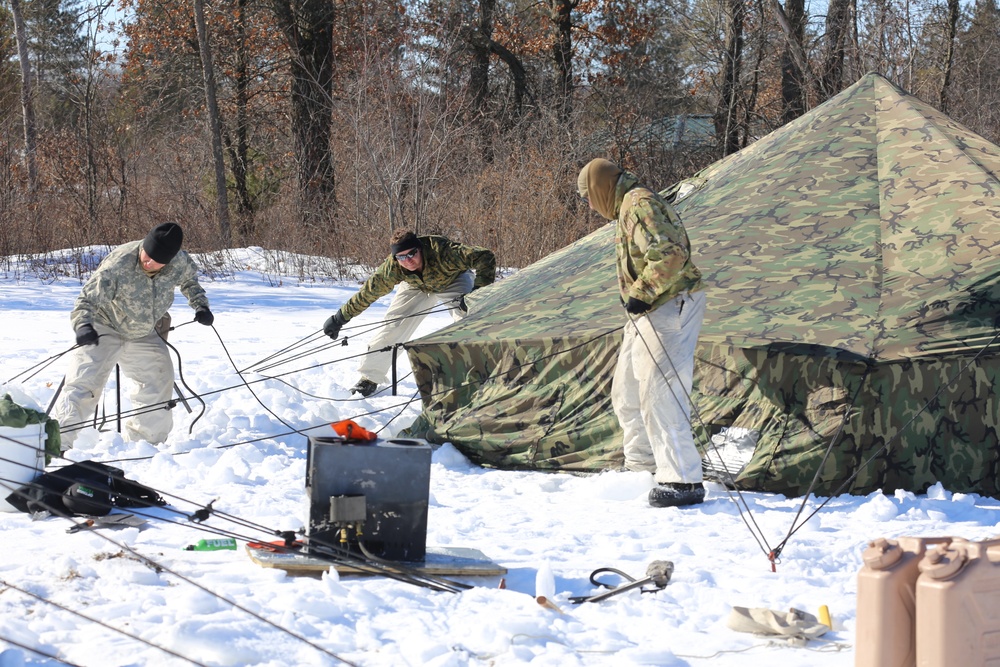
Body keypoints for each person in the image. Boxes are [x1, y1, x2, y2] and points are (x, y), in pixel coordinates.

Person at [577, 158, 708, 508]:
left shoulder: (638, 204)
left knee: (660, 393)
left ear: (600, 187)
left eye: (587, 196)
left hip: (669, 303)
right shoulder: (626, 207)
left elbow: (671, 253)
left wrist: (641, 293)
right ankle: (643, 468)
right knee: (627, 391)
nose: (588, 204)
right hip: (650, 309)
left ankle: (683, 480)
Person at [51, 222, 214, 448]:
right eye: (146, 255)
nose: (147, 261)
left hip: (143, 331)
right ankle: (57, 444)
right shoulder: (119, 263)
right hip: (104, 325)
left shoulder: (179, 262)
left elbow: (189, 281)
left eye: (155, 260)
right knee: (84, 384)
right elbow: (85, 300)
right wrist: (83, 326)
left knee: (158, 381)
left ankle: (145, 445)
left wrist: (201, 307)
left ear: (168, 261)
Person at [323, 229, 496, 397]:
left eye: (411, 254)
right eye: (401, 257)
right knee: (393, 327)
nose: (408, 260)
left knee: (470, 319)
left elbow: (485, 256)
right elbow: (368, 293)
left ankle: (486, 372)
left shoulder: (444, 252)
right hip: (415, 286)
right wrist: (340, 318)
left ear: (419, 248)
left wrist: (477, 292)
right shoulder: (393, 267)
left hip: (452, 280)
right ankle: (370, 378)